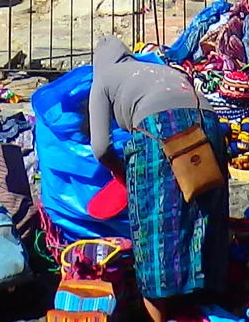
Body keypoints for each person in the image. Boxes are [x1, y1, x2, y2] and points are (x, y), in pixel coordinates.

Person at [90, 35, 227, 322]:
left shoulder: (102, 80)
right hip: (209, 125)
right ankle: (205, 304)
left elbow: (101, 146)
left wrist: (121, 172)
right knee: (203, 211)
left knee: (154, 226)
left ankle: (159, 315)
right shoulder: (159, 69)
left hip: (160, 127)